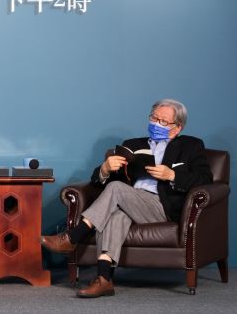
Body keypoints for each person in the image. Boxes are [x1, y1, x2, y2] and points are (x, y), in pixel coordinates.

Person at [41, 98, 213, 298]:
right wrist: (105, 169)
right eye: (154, 118)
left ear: (177, 128)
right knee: (116, 215)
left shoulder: (191, 146)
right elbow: (100, 183)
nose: (156, 124)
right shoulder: (132, 145)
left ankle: (73, 236)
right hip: (129, 201)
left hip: (161, 206)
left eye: (163, 121)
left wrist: (172, 175)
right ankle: (104, 279)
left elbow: (205, 178)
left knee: (116, 189)